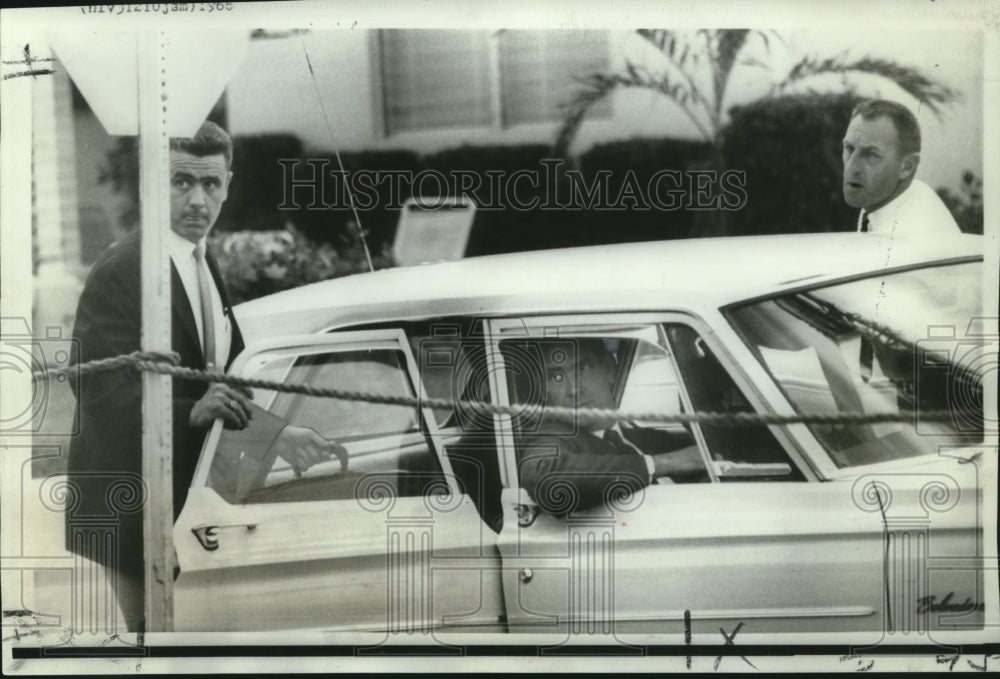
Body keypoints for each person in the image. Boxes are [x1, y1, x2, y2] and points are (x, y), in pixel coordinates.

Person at [66, 121, 340, 632]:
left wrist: (278, 435)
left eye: (210, 183)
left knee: (190, 645)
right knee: (155, 647)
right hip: (132, 506)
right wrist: (188, 411)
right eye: (181, 182)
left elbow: (222, 382)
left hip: (193, 502)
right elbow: (93, 387)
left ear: (228, 185)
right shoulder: (122, 268)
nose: (198, 200)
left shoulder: (201, 258)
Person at [516, 338, 707, 514]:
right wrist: (665, 463)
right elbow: (544, 477)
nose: (573, 388)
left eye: (583, 367)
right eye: (555, 377)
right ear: (544, 392)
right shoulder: (549, 438)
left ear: (608, 370)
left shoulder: (651, 439)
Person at [841, 99, 960, 235]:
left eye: (871, 155)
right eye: (849, 148)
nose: (851, 167)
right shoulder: (905, 198)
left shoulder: (908, 233)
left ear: (907, 167)